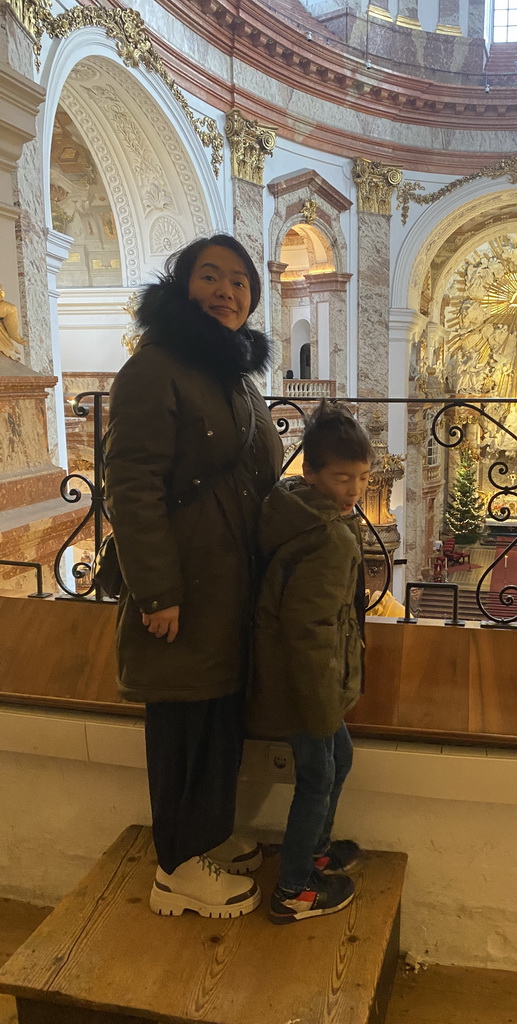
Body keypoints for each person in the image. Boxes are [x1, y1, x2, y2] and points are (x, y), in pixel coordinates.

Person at [104, 234, 284, 918]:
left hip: (230, 580)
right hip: (182, 586)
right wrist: (158, 591)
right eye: (210, 276)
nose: (226, 291)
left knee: (218, 714)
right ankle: (176, 867)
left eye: (239, 282)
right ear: (183, 287)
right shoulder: (156, 368)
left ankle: (208, 836)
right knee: (182, 721)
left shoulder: (233, 376)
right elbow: (132, 484)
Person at [249, 400, 372, 924]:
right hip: (306, 684)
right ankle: (295, 888)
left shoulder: (304, 516)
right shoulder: (325, 538)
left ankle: (316, 851)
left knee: (337, 762)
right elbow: (310, 631)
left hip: (311, 681)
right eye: (342, 477)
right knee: (317, 777)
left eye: (363, 477)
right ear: (311, 473)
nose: (355, 490)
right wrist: (323, 705)